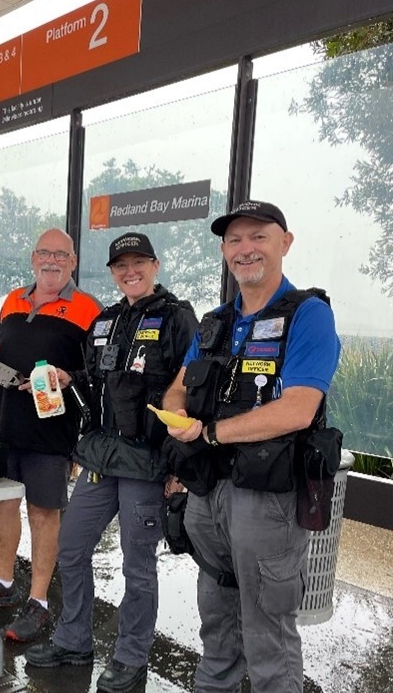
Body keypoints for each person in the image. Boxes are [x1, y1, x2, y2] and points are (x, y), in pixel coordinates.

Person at [160, 201, 340, 693]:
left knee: (267, 629)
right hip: (207, 493)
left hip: (269, 500)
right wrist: (177, 416)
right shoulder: (215, 321)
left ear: (285, 242)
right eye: (235, 240)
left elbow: (298, 409)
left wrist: (212, 432)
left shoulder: (309, 316)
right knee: (215, 615)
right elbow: (178, 387)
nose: (246, 249)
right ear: (223, 251)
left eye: (258, 236)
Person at [25, 232, 197, 693]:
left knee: (137, 566)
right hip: (101, 455)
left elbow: (192, 391)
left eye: (138, 262)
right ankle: (74, 639)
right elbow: (97, 377)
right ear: (112, 272)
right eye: (121, 265)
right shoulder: (106, 320)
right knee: (72, 547)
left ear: (155, 266)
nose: (130, 271)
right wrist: (67, 376)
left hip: (148, 462)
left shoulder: (177, 319)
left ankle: (131, 657)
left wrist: (179, 467)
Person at [0, 228, 102, 643]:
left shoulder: (89, 309)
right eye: (44, 253)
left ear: (73, 262)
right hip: (8, 426)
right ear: (32, 257)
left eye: (61, 255)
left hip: (52, 432)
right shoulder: (12, 301)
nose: (52, 261)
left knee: (43, 513)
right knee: (5, 504)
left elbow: (96, 374)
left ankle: (38, 601)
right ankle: (4, 582)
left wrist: (69, 376)